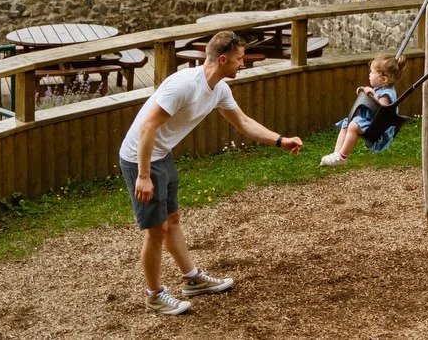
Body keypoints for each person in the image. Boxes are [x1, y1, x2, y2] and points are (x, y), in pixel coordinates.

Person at [119, 29, 304, 315]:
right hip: (140, 158)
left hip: (161, 154)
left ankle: (191, 279)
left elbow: (242, 122)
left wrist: (280, 140)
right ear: (222, 59)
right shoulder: (183, 86)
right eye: (239, 59)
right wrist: (143, 175)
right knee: (156, 231)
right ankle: (154, 295)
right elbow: (147, 127)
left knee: (172, 219)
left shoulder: (219, 89)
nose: (242, 64)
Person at [321, 54, 405, 165]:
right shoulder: (380, 88)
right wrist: (365, 92)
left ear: (383, 79)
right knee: (347, 123)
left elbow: (381, 112)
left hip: (378, 129)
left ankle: (342, 156)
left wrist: (373, 95)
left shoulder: (387, 94)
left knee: (353, 126)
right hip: (368, 122)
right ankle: (336, 154)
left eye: (372, 72)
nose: (369, 74)